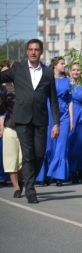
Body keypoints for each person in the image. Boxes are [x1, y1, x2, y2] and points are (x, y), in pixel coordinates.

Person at [0, 39, 60, 204]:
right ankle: (30, 190)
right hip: (22, 118)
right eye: (30, 49)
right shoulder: (18, 68)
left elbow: (53, 100)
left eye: (36, 50)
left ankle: (28, 180)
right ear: (27, 51)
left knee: (39, 154)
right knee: (28, 155)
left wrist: (56, 123)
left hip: (41, 119)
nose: (33, 52)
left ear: (41, 52)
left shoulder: (48, 72)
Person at [37, 57, 71, 187]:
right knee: (49, 145)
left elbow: (70, 101)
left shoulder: (67, 81)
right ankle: (44, 175)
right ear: (55, 65)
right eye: (62, 64)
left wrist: (71, 119)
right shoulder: (46, 79)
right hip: (49, 113)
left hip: (64, 115)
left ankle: (58, 176)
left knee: (61, 145)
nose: (64, 66)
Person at [1, 67, 24, 197]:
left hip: (24, 127)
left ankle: (20, 181)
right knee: (10, 159)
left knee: (23, 160)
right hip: (9, 125)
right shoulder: (6, 88)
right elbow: (1, 107)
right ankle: (16, 188)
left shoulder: (26, 87)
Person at [67, 63, 82, 186]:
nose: (76, 72)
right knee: (72, 143)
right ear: (70, 71)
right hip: (71, 113)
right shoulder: (68, 85)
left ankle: (81, 171)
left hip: (81, 113)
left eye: (78, 70)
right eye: (74, 70)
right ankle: (72, 172)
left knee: (81, 143)